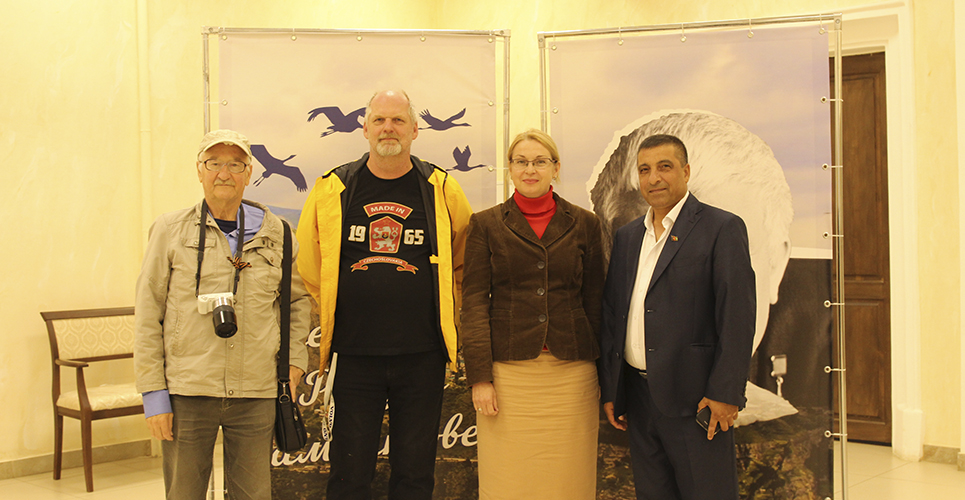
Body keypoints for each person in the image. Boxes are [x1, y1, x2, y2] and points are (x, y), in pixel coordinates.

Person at [295, 89, 472, 499]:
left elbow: (464, 260)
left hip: (423, 354)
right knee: (349, 472)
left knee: (415, 472)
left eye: (397, 120)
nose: (388, 128)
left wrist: (448, 314)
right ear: (364, 129)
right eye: (379, 120)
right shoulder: (333, 188)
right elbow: (310, 266)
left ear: (415, 130)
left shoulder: (442, 188)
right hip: (355, 354)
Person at [134, 129, 311, 500]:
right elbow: (149, 312)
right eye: (214, 163)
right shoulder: (169, 230)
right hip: (188, 389)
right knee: (184, 493)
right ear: (199, 170)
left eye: (235, 165)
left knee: (254, 494)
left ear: (249, 173)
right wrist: (154, 395)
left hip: (256, 390)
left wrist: (295, 363)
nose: (224, 173)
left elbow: (297, 303)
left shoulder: (279, 233)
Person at [598, 134, 756, 500]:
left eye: (664, 167)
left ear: (685, 172)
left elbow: (737, 316)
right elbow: (613, 314)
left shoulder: (721, 228)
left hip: (697, 401)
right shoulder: (627, 237)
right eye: (644, 170)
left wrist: (725, 392)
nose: (654, 178)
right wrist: (613, 388)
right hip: (639, 399)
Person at [462, 129, 605, 499]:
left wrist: (607, 378)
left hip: (573, 375)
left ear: (555, 168)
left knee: (569, 481)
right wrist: (480, 377)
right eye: (521, 161)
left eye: (540, 161)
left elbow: (596, 302)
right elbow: (474, 303)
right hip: (508, 378)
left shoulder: (586, 223)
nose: (530, 169)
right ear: (509, 168)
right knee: (508, 480)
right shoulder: (485, 224)